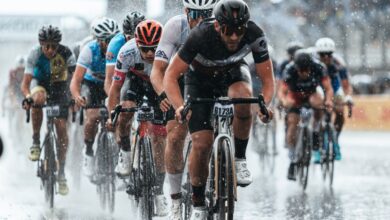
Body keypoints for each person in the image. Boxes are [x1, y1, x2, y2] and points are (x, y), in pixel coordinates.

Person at [163, 0, 274, 218]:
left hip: (233, 73)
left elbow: (268, 79)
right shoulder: (200, 35)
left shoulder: (255, 33)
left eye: (239, 31)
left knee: (244, 98)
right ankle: (197, 202)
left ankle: (240, 159)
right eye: (228, 31)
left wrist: (264, 105)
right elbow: (170, 76)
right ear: (217, 26)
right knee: (202, 144)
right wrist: (179, 106)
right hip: (199, 80)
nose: (234, 37)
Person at [150, 0, 218, 218]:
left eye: (206, 14)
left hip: (207, 80)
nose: (199, 20)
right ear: (186, 12)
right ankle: (176, 198)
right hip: (178, 79)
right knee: (176, 134)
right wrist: (163, 95)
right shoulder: (175, 27)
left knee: (209, 134)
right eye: (195, 15)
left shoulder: (218, 27)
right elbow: (158, 70)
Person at [106, 19, 168, 216]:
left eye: (153, 49)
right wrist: (112, 115)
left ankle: (159, 192)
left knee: (160, 140)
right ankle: (125, 153)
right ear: (136, 44)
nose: (150, 53)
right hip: (135, 82)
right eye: (145, 49)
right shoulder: (126, 51)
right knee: (125, 111)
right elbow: (115, 88)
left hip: (160, 85)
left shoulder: (169, 49)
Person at [21, 25, 76, 195]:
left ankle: (61, 174)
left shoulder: (67, 53)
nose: (50, 50)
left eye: (54, 46)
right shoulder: (34, 54)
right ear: (41, 44)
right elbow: (25, 84)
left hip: (60, 89)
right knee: (37, 99)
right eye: (47, 46)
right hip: (41, 84)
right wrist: (28, 97)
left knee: (61, 128)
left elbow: (75, 80)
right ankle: (36, 142)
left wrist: (74, 98)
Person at [70, 17, 119, 177]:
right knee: (92, 117)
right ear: (98, 40)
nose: (111, 42)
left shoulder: (120, 48)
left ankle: (119, 158)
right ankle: (89, 152)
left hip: (113, 83)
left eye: (114, 38)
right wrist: (77, 96)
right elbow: (76, 80)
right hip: (93, 85)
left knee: (120, 116)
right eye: (107, 40)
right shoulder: (89, 50)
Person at [278, 51, 334, 181]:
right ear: (296, 68)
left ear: (310, 67)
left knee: (319, 103)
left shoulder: (319, 67)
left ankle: (315, 131)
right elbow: (282, 91)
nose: (303, 73)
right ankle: (292, 161)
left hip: (311, 94)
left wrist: (329, 100)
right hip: (295, 96)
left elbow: (328, 88)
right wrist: (284, 101)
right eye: (300, 70)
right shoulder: (289, 69)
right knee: (292, 123)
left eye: (306, 70)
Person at [314, 37, 353, 162]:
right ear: (317, 54)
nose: (326, 57)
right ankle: (317, 145)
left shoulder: (339, 64)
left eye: (329, 54)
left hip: (335, 89)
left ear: (333, 54)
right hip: (318, 88)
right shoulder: (313, 63)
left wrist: (347, 97)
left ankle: (335, 139)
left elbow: (346, 86)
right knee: (317, 113)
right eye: (322, 54)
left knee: (340, 110)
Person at [104, 11, 145, 94]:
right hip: (129, 73)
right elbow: (109, 79)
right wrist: (114, 102)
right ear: (124, 34)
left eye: (139, 38)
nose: (134, 42)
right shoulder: (115, 44)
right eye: (131, 38)